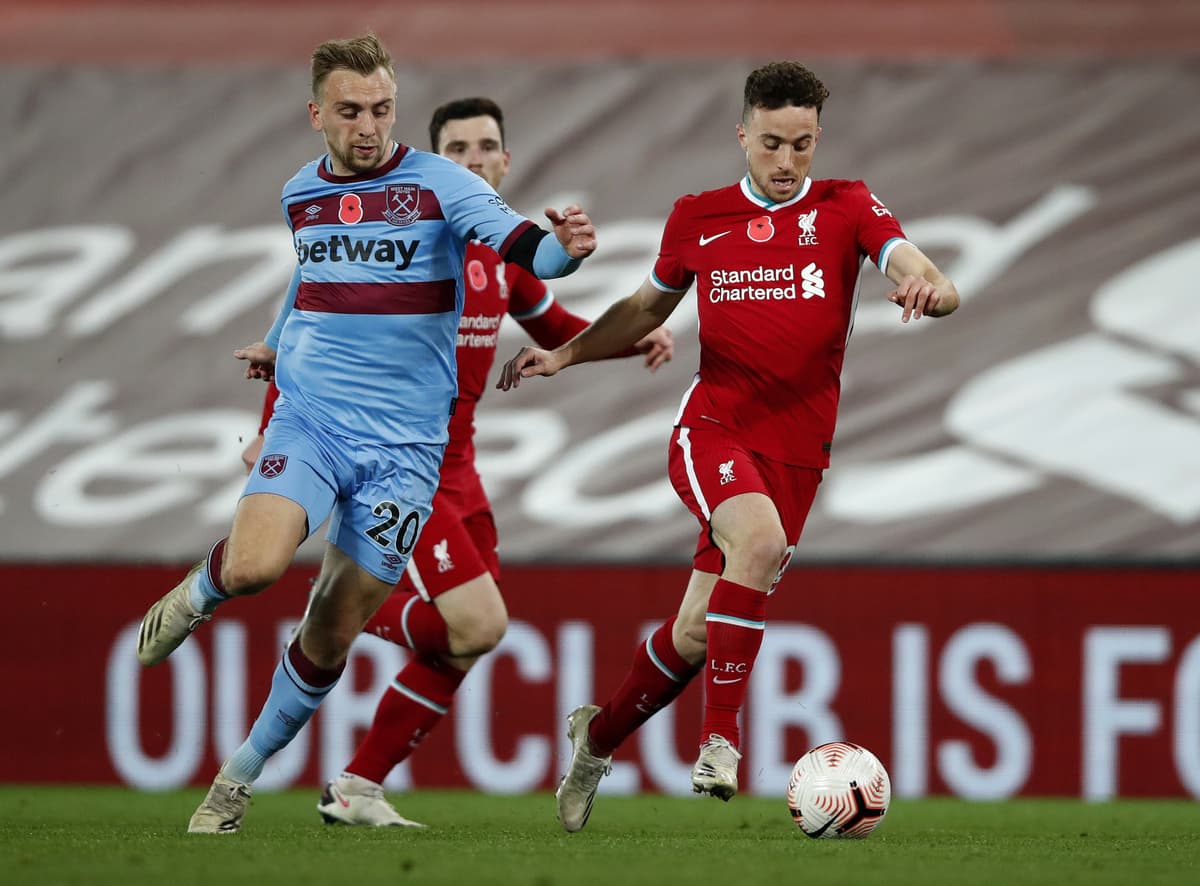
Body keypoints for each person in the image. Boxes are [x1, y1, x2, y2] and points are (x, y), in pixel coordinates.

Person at [133, 34, 597, 835]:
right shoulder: (299, 195)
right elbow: (309, 282)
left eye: (381, 109)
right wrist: (279, 348)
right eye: (349, 112)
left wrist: (568, 248)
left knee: (331, 628)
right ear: (316, 114)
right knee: (252, 568)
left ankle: (236, 779)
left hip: (408, 453)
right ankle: (196, 593)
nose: (368, 126)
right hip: (312, 419)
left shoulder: (442, 185)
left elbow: (527, 248)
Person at [496, 61, 960, 832]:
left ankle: (595, 738)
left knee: (691, 634)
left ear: (819, 139)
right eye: (772, 143)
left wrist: (932, 293)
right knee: (757, 539)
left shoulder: (846, 206)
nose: (786, 163)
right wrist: (567, 352)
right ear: (742, 134)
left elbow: (923, 271)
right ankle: (719, 742)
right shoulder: (699, 217)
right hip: (712, 427)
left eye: (802, 145)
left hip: (798, 454)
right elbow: (646, 305)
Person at [243, 97, 673, 828]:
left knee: (465, 641)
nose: (473, 161)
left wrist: (637, 340)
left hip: (462, 470)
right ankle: (338, 616)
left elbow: (560, 325)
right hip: (401, 460)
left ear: (506, 162)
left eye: (486, 149)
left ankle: (356, 787)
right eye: (458, 151)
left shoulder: (505, 261)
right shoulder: (401, 238)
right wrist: (268, 431)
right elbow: (317, 335)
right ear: (432, 164)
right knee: (478, 622)